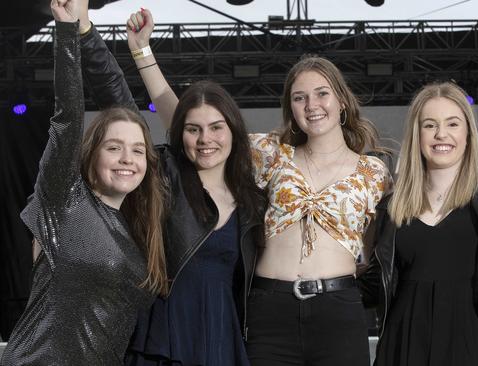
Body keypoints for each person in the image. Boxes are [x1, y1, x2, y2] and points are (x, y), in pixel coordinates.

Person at [79, 8, 392, 364]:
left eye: (322, 94)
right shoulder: (270, 154)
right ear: (290, 106)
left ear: (341, 101)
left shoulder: (375, 173)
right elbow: (191, 120)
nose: (312, 105)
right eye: (299, 97)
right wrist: (143, 53)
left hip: (338, 309)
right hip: (270, 309)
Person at [358, 15, 478, 365]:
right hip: (404, 344)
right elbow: (375, 286)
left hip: (475, 341)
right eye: (430, 125)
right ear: (417, 136)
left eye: (453, 123)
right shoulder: (391, 206)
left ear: (468, 133)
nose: (441, 134)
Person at [73, 3, 266, 365]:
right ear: (182, 135)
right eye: (193, 129)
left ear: (234, 132)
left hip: (223, 334)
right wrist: (85, 29)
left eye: (216, 128)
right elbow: (117, 98)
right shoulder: (167, 177)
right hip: (165, 331)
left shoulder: (253, 199)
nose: (205, 139)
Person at [0, 0, 167, 364]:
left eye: (138, 150)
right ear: (91, 156)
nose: (128, 158)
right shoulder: (64, 200)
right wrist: (67, 31)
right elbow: (68, 118)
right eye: (114, 147)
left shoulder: (138, 228)